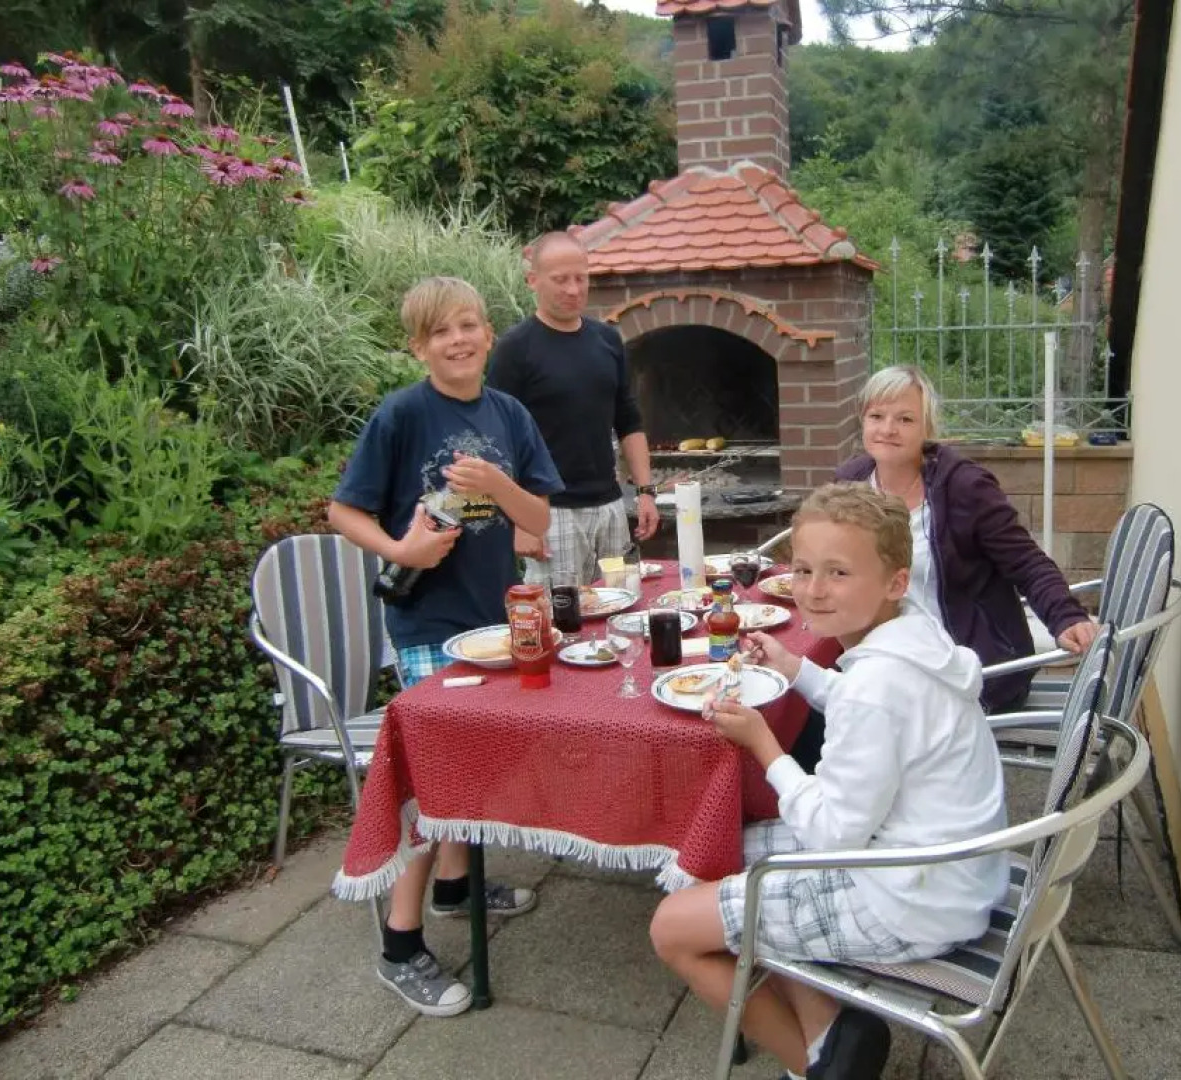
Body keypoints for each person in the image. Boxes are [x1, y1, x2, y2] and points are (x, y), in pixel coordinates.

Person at [649, 485, 1009, 1080]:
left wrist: (764, 745)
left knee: (672, 929)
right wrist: (796, 669)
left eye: (838, 572)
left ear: (894, 581)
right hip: (948, 868)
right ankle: (831, 1025)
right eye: (805, 569)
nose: (814, 589)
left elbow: (833, 831)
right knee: (721, 852)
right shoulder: (911, 634)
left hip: (909, 899)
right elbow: (867, 714)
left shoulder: (878, 689)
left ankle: (817, 1064)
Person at [328, 276, 564, 1016]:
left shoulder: (510, 414)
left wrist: (496, 481)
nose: (457, 341)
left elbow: (538, 518)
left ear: (488, 334)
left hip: (494, 618)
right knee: (442, 778)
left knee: (487, 760)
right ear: (418, 347)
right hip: (428, 624)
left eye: (468, 326)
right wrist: (403, 547)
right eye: (440, 333)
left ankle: (458, 889)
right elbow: (342, 510)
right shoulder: (401, 414)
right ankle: (400, 945)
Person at [837, 365, 1097, 712]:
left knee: (846, 709)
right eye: (877, 416)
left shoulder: (964, 487)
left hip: (966, 668)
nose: (888, 429)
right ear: (863, 421)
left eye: (905, 419)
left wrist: (1065, 615)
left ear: (927, 428)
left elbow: (1026, 562)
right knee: (815, 694)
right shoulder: (850, 485)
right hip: (884, 656)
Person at [486, 231, 660, 585]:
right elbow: (495, 439)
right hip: (550, 513)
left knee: (621, 615)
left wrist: (645, 492)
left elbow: (628, 419)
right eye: (560, 279)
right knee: (560, 625)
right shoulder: (514, 348)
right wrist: (522, 521)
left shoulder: (607, 340)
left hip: (611, 507)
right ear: (532, 280)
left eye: (581, 278)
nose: (573, 289)